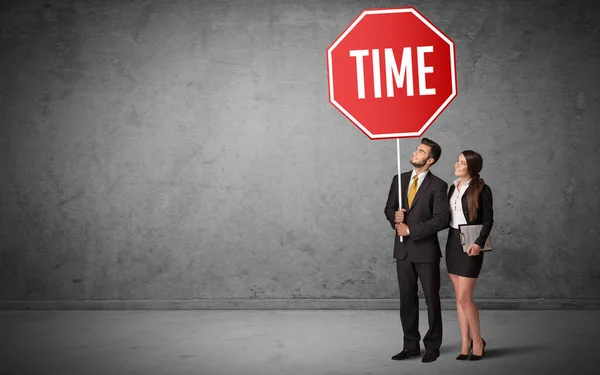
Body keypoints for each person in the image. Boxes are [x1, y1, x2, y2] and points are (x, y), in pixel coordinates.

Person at [384, 138, 450, 363]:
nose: (415, 152)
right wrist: (395, 217)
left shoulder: (439, 186)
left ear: (430, 160)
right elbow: (389, 208)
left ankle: (433, 346)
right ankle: (410, 346)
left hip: (426, 252)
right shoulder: (399, 180)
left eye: (420, 151)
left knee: (432, 300)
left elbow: (441, 219)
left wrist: (410, 229)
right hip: (402, 252)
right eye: (416, 149)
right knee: (407, 300)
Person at [445, 150, 493, 361]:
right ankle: (465, 342)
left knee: (465, 297)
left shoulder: (482, 188)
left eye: (462, 162)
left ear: (471, 168)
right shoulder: (452, 187)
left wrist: (478, 243)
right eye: (457, 160)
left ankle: (478, 340)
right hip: (452, 241)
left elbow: (489, 219)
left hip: (472, 242)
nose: (457, 164)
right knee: (458, 298)